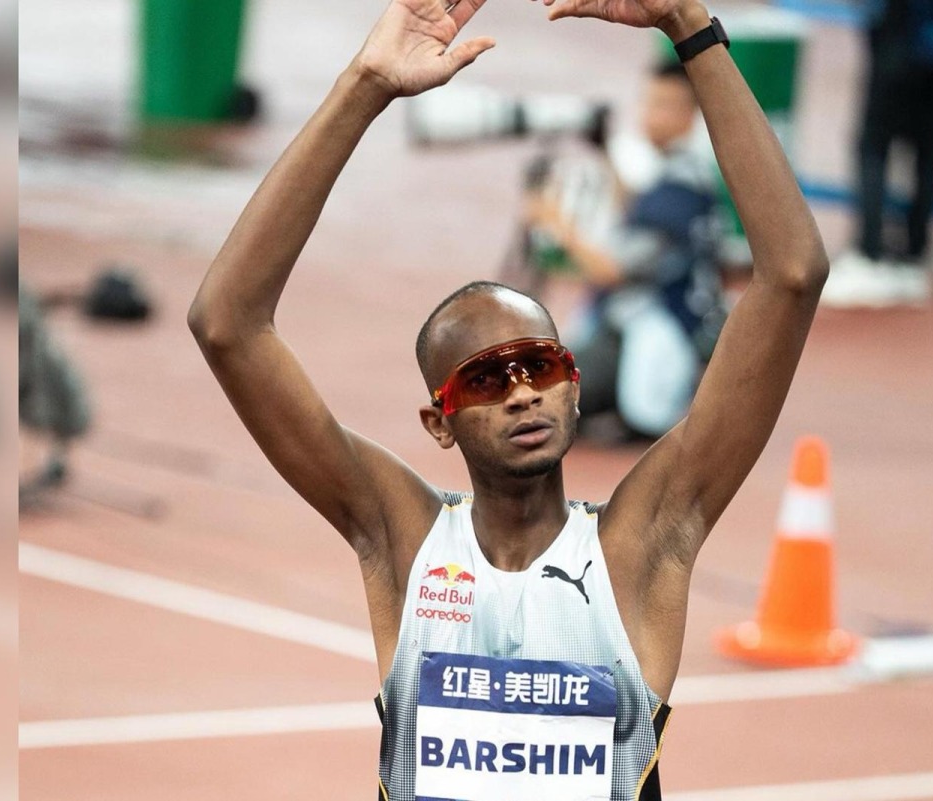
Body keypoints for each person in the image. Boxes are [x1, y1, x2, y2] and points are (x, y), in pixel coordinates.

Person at [188, 0, 827, 798]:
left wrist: (690, 27)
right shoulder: (405, 540)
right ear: (440, 420)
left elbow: (792, 275)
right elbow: (226, 324)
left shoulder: (641, 545)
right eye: (487, 378)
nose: (523, 390)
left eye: (540, 363)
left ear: (574, 381)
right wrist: (364, 86)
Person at [522, 60, 725, 439]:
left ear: (692, 115)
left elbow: (611, 269)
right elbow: (633, 209)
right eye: (649, 103)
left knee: (546, 404)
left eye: (665, 105)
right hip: (635, 325)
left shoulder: (681, 188)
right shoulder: (679, 172)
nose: (651, 115)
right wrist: (603, 152)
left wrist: (555, 222)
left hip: (659, 330)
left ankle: (635, 409)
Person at [822, 0, 933, 308]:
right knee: (930, 152)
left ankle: (870, 256)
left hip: (903, 37)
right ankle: (914, 257)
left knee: (873, 146)